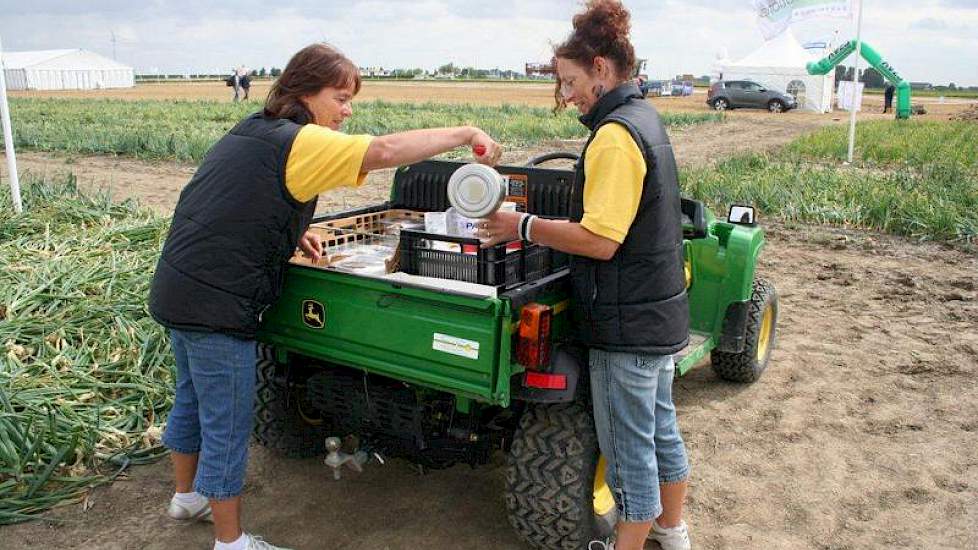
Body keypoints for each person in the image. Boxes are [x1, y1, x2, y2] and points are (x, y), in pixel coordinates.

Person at [149, 43, 501, 550]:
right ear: (304, 92)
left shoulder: (253, 129)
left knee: (190, 400)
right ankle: (231, 542)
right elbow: (381, 153)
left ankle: (186, 497)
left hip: (179, 288)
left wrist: (291, 232)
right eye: (340, 97)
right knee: (227, 421)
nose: (347, 109)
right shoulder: (303, 140)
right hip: (218, 304)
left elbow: (239, 197)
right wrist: (466, 134)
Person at [481, 2, 691, 549]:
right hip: (654, 312)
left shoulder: (617, 136)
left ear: (601, 68)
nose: (566, 95)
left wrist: (522, 224)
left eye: (570, 82)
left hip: (626, 325)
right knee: (660, 433)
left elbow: (601, 240)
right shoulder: (644, 118)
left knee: (627, 454)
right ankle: (673, 532)